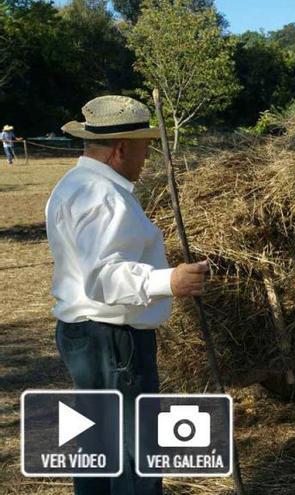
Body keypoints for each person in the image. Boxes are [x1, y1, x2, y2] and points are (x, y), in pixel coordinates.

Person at [48, 95, 209, 494]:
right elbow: (103, 277)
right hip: (113, 343)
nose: (148, 157)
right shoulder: (102, 197)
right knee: (134, 455)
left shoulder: (73, 185)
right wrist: (169, 282)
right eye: (144, 148)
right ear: (121, 149)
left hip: (86, 334)